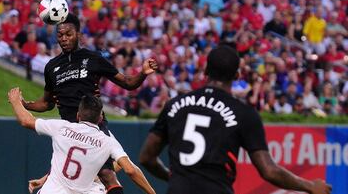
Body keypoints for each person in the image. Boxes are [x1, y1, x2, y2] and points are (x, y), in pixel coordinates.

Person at [139, 45, 332, 194]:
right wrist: (310, 186)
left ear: (205, 71)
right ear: (237, 75)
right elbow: (269, 171)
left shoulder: (175, 104)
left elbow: (146, 158)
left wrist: (171, 177)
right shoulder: (244, 113)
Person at [21, 13, 158, 194]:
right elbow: (47, 104)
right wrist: (25, 104)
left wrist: (143, 72)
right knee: (69, 171)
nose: (64, 38)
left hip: (94, 125)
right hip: (69, 129)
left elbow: (127, 83)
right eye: (60, 35)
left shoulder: (93, 59)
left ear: (79, 34)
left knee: (109, 174)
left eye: (68, 34)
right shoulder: (51, 67)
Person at [8, 88, 155, 194]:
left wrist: (16, 101)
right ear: (101, 118)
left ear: (78, 115)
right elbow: (129, 169)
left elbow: (26, 121)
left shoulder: (62, 127)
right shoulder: (108, 140)